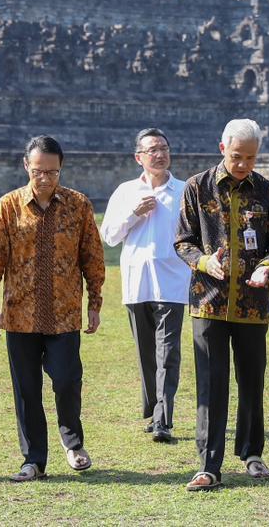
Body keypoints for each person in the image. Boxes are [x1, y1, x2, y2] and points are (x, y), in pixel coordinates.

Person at [0, 135, 105, 482]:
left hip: (65, 313)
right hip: (20, 315)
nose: (45, 178)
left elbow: (92, 257)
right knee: (26, 390)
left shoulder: (78, 206)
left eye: (52, 172)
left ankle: (73, 441)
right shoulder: (8, 206)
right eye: (38, 171)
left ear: (61, 168)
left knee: (67, 380)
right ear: (26, 167)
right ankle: (33, 459)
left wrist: (94, 302)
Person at [175, 118, 269, 491]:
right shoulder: (197, 187)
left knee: (252, 381)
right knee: (211, 383)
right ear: (223, 149)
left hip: (253, 303)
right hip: (208, 301)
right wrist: (205, 261)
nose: (243, 164)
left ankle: (252, 453)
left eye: (250, 158)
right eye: (237, 156)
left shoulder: (268, 193)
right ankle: (209, 464)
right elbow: (183, 241)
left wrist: (268, 267)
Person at [100, 127, 189, 443]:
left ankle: (163, 418)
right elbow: (109, 236)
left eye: (164, 147)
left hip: (173, 282)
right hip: (136, 282)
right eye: (152, 149)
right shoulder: (126, 192)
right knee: (146, 353)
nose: (160, 154)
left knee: (168, 352)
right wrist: (134, 213)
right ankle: (153, 411)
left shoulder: (184, 191)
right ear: (139, 157)